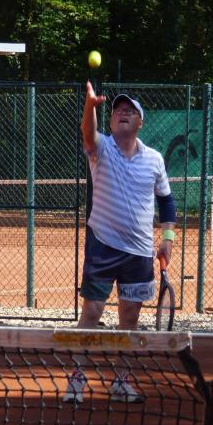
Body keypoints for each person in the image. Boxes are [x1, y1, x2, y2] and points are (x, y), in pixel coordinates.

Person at [63, 81, 176, 404]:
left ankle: (121, 381)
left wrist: (168, 238)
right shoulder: (101, 149)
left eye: (130, 110)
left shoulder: (154, 159)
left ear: (140, 122)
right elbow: (88, 133)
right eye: (117, 110)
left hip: (138, 253)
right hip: (102, 246)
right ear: (111, 122)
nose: (122, 113)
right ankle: (77, 379)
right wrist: (90, 107)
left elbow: (166, 201)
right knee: (92, 312)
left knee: (129, 320)